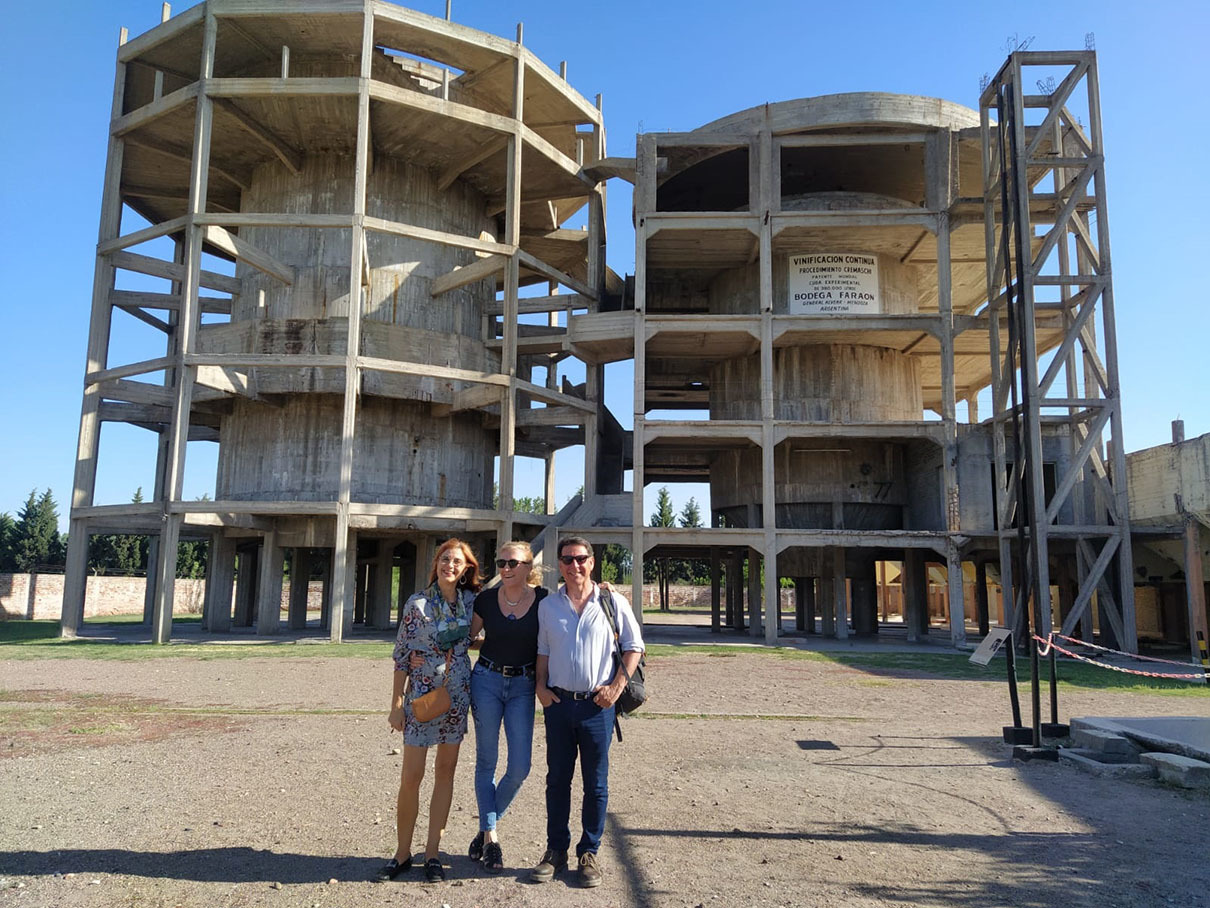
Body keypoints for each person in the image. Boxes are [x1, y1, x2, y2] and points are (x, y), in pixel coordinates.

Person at [531, 536, 644, 888]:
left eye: (580, 559)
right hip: (560, 705)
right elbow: (543, 652)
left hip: (597, 707)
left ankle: (588, 852)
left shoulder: (612, 601)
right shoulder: (549, 606)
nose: (574, 565)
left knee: (595, 784)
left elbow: (634, 647)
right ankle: (555, 851)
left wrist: (615, 689)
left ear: (592, 562)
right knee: (557, 780)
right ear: (560, 564)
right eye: (567, 560)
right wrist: (541, 687)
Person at [382, 538, 480, 884]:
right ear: (436, 564)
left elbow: (512, 602)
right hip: (422, 696)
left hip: (455, 697)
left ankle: (433, 852)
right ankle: (402, 852)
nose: (449, 566)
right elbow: (402, 653)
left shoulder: (471, 602)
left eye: (456, 561)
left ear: (466, 568)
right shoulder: (417, 603)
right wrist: (396, 704)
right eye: (444, 560)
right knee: (411, 776)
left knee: (446, 772)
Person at [466, 541, 547, 873]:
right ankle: (493, 839)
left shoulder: (544, 600)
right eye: (501, 563)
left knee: (520, 767)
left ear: (528, 567)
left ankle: (484, 828)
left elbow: (572, 609)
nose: (505, 568)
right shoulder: (485, 599)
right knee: (487, 762)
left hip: (523, 685)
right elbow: (469, 639)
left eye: (513, 563)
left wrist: (605, 591)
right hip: (485, 679)